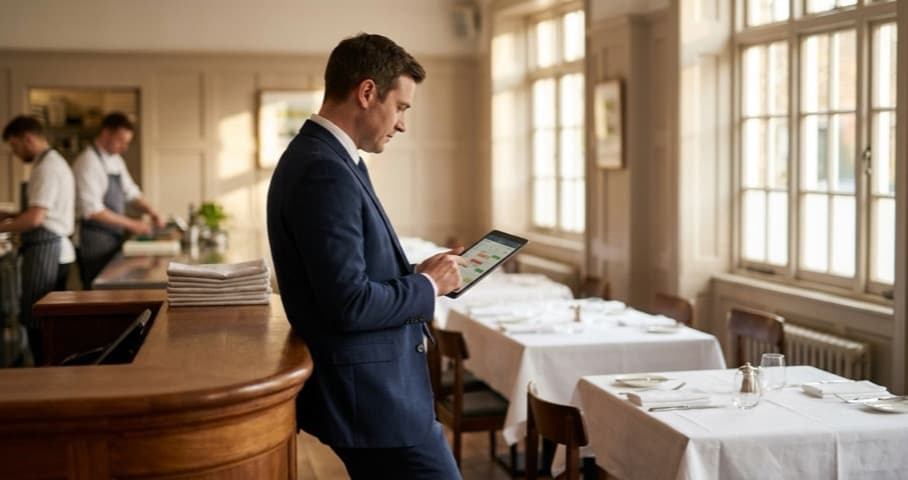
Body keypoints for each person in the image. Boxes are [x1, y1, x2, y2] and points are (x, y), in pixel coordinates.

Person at [267, 33, 465, 479]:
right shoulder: (324, 169)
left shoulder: (331, 158)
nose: (402, 124)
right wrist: (428, 286)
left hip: (376, 395)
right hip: (375, 401)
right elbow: (348, 303)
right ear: (367, 92)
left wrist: (420, 273)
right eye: (401, 108)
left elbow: (350, 277)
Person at [1, 115, 76, 363]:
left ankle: (43, 374)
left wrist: (4, 226)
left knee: (38, 317)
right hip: (52, 246)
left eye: (15, 145)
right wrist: (12, 216)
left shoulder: (47, 168)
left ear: (28, 138)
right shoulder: (51, 163)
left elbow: (35, 219)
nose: (15, 151)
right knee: (45, 317)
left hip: (48, 248)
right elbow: (39, 212)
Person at [73, 112, 163, 289]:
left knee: (112, 290)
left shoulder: (116, 160)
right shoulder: (87, 162)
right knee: (97, 291)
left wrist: (151, 210)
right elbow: (92, 210)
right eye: (121, 141)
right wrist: (133, 224)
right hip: (92, 239)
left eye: (127, 142)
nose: (124, 147)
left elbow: (130, 191)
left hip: (112, 236)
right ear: (106, 133)